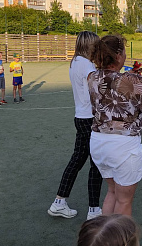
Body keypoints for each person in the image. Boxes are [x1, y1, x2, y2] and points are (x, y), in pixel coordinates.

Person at [88, 34, 142, 216]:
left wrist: (131, 77)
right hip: (123, 147)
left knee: (112, 192)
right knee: (124, 201)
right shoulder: (128, 81)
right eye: (123, 51)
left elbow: (114, 83)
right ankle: (121, 240)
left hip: (98, 143)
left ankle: (105, 239)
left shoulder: (92, 77)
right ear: (117, 56)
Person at [48, 31, 103, 220]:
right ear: (90, 45)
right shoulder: (87, 66)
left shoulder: (76, 62)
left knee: (77, 160)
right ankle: (94, 210)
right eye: (96, 45)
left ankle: (59, 202)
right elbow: (96, 93)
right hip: (90, 118)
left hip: (80, 117)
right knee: (95, 164)